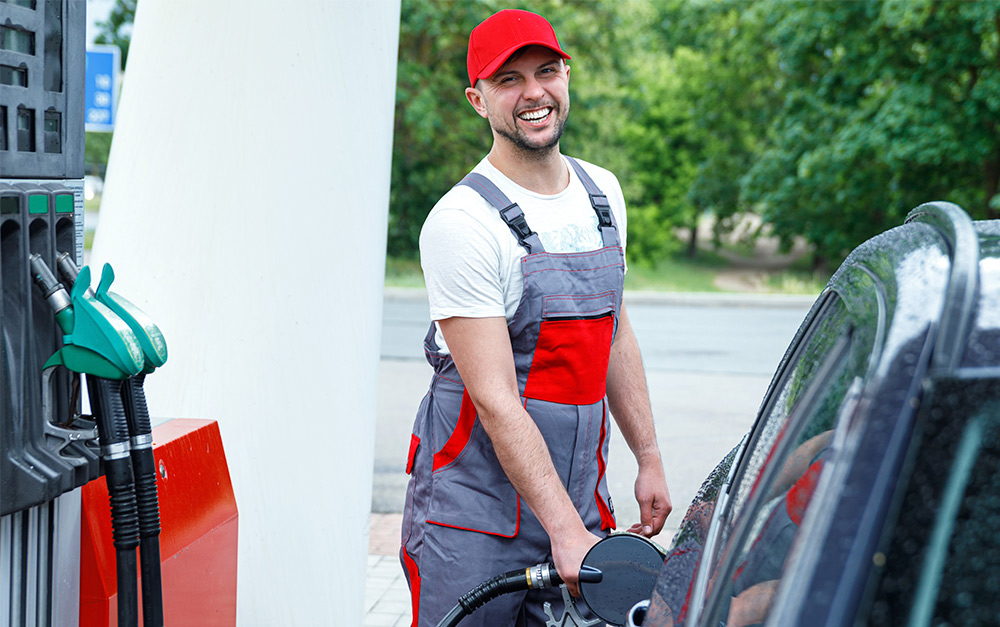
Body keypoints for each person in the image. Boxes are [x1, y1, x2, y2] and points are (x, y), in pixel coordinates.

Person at [399, 9, 672, 625]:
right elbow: (495, 400)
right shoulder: (462, 223)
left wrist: (648, 456)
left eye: (546, 71)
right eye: (509, 80)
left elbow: (616, 336)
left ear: (566, 76)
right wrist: (564, 529)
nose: (533, 93)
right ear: (478, 100)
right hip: (474, 524)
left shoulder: (603, 194)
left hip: (579, 505)